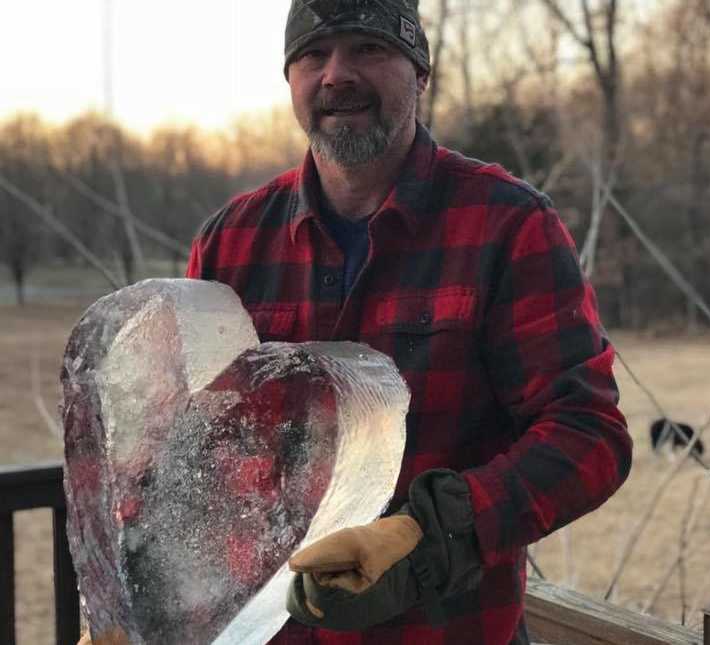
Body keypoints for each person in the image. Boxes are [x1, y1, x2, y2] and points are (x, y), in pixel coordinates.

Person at [82, 1, 632, 643]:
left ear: (420, 74)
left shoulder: (507, 226)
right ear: (291, 80)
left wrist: (431, 533)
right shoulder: (231, 244)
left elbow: (589, 435)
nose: (336, 74)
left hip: (445, 632)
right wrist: (128, 605)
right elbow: (181, 463)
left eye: (367, 49)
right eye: (313, 55)